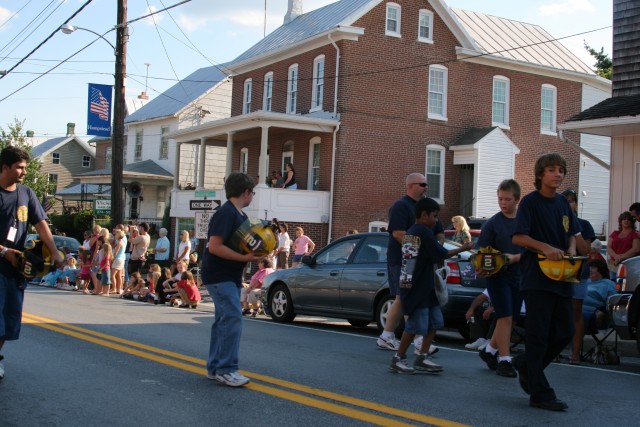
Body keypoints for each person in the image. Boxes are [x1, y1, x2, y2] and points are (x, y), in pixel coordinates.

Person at [512, 153, 582, 411]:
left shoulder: (563, 204)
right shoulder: (530, 203)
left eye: (561, 170)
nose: (558, 174)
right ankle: (540, 393)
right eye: (552, 170)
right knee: (538, 335)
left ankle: (525, 365)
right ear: (540, 174)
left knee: (565, 330)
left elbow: (572, 234)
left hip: (562, 276)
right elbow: (519, 237)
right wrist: (546, 248)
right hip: (537, 278)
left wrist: (571, 248)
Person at [0, 146, 63, 382]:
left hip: (16, 269)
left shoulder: (26, 194)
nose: (24, 171)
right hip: (1, 263)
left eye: (25, 167)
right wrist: (5, 250)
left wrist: (55, 252)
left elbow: (41, 224)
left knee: (8, 320)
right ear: (5, 167)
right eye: (19, 167)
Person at [389, 197, 473, 374]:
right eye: (434, 216)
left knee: (435, 322)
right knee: (414, 326)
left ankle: (422, 357)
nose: (436, 220)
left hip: (422, 286)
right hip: (416, 287)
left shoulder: (413, 231)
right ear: (424, 215)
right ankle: (398, 358)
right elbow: (441, 254)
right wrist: (464, 248)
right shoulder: (422, 231)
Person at [201, 172, 263, 387]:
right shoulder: (226, 213)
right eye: (252, 192)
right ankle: (227, 369)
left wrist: (258, 253)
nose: (252, 196)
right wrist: (245, 257)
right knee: (233, 316)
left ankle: (215, 367)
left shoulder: (242, 217)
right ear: (245, 193)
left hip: (231, 275)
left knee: (223, 320)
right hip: (219, 275)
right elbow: (215, 246)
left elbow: (243, 246)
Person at [477, 179, 523, 377]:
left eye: (508, 199)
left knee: (511, 319)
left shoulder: (525, 221)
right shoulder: (492, 224)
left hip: (519, 275)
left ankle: (489, 351)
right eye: (500, 199)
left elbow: (531, 250)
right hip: (497, 276)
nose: (503, 203)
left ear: (517, 200)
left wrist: (515, 259)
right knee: (505, 316)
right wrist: (481, 266)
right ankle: (505, 360)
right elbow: (481, 253)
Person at [377, 173, 429, 351]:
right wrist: (420, 247)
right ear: (411, 185)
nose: (426, 187)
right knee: (406, 297)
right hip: (402, 259)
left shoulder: (423, 207)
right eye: (422, 184)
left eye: (426, 184)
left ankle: (387, 335)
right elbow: (398, 233)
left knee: (401, 298)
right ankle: (419, 339)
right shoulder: (401, 205)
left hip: (414, 260)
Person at [562, 189, 596, 365]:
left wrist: (575, 230)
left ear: (576, 204)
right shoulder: (555, 223)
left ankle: (575, 353)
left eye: (572, 201)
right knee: (558, 311)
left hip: (578, 273)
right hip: (557, 272)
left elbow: (586, 250)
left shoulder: (584, 224)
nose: (569, 204)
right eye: (565, 201)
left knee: (576, 311)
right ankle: (554, 350)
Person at [607, 211, 640, 279]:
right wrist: (616, 256)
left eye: (628, 219)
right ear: (620, 221)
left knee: (625, 287)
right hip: (614, 265)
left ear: (632, 222)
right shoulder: (615, 233)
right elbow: (609, 247)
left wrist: (620, 258)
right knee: (613, 286)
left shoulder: (635, 234)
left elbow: (636, 249)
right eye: (624, 219)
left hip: (630, 266)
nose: (626, 220)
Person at [111, 229, 126, 295]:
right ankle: (119, 289)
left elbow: (115, 253)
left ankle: (114, 288)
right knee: (119, 275)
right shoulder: (123, 242)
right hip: (122, 259)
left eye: (116, 234)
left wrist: (112, 259)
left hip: (117, 259)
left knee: (112, 275)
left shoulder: (119, 243)